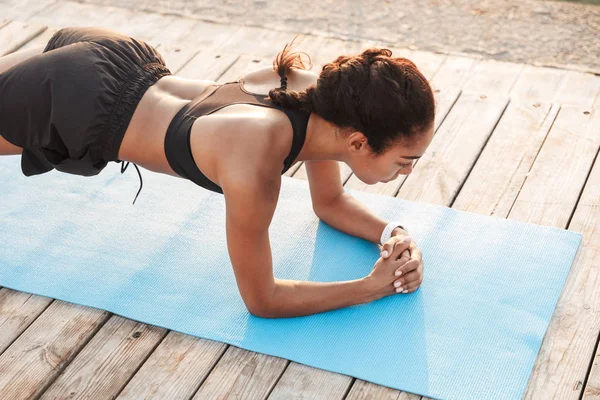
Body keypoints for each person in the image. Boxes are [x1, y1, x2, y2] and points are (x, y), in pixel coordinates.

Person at [0, 27, 434, 318]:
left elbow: (330, 203)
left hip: (119, 61)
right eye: (404, 160)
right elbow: (262, 299)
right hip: (82, 100)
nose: (408, 171)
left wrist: (392, 233)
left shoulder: (321, 102)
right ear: (359, 141)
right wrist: (370, 287)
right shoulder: (257, 156)